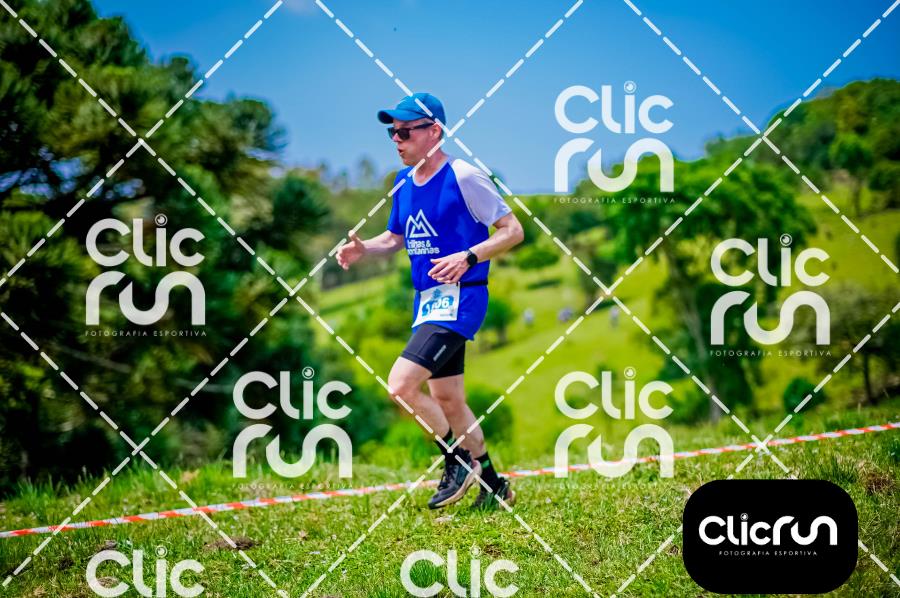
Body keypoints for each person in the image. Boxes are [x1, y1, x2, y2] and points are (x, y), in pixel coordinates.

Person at [336, 92, 524, 509]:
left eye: (405, 132)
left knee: (401, 385)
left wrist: (469, 256)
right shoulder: (403, 183)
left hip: (463, 298)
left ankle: (458, 460)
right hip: (428, 302)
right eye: (392, 132)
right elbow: (395, 238)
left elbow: (512, 230)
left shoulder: (465, 176)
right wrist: (364, 249)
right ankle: (495, 487)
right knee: (449, 399)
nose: (396, 140)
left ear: (434, 132)